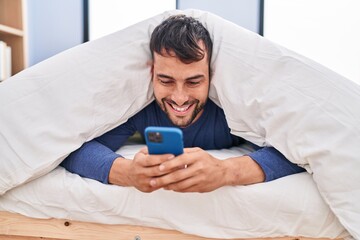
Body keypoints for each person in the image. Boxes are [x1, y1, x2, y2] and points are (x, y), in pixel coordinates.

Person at [61, 15, 304, 193]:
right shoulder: (141, 110)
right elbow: (73, 150)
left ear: (211, 76)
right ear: (151, 73)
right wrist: (127, 173)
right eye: (165, 80)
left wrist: (226, 172)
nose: (179, 98)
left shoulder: (231, 109)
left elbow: (295, 153)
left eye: (194, 81)